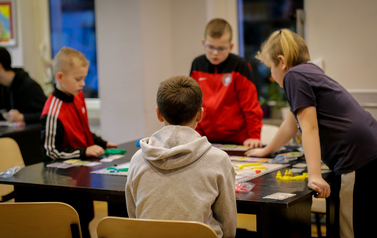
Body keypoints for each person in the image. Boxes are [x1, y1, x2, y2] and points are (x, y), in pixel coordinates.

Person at [246, 28, 377, 237]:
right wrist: (267, 150)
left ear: (281, 61)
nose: (271, 74)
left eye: (270, 67)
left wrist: (314, 175)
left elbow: (309, 127)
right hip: (369, 146)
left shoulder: (293, 77)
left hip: (356, 155)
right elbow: (291, 124)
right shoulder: (308, 71)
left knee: (349, 227)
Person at [126, 75, 237, 238]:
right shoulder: (219, 160)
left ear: (159, 114)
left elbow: (134, 216)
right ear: (200, 114)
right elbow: (228, 227)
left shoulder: (138, 158)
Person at [40, 47, 117, 238]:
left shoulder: (77, 96)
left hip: (81, 176)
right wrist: (84, 152)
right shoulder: (52, 111)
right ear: (60, 76)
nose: (83, 84)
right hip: (63, 182)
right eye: (77, 79)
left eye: (84, 78)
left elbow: (82, 130)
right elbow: (50, 153)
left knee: (86, 217)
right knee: (75, 222)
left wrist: (101, 142)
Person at [190, 18, 263, 148]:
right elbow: (193, 104)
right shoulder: (197, 64)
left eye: (221, 48)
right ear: (203, 43)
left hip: (239, 140)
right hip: (206, 140)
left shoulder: (240, 66)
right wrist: (196, 135)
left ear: (231, 47)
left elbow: (250, 105)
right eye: (210, 47)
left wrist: (254, 136)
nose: (215, 53)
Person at [0, 46, 47, 124]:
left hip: (29, 134)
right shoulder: (2, 87)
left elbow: (48, 114)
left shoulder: (29, 86)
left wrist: (22, 117)